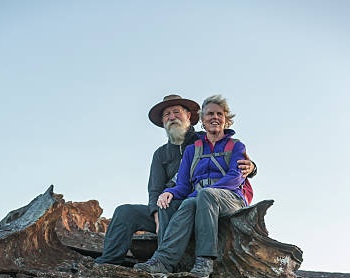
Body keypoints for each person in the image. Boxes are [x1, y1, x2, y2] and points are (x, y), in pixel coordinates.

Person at [95, 94, 256, 266]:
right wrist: (155, 212)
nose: (172, 117)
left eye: (176, 112)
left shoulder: (203, 139)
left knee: (181, 204)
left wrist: (252, 167)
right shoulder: (160, 154)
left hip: (202, 201)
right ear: (163, 122)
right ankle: (108, 262)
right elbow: (155, 189)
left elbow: (236, 161)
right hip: (173, 203)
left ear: (190, 117)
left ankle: (166, 262)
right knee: (125, 212)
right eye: (167, 115)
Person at [134, 95, 249, 278]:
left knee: (204, 196)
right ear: (202, 120)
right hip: (200, 198)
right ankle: (163, 261)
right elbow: (183, 184)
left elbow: (235, 178)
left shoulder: (236, 145)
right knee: (178, 203)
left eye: (219, 114)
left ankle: (204, 261)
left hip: (231, 199)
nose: (215, 117)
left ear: (226, 119)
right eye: (210, 114)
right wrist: (168, 192)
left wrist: (203, 192)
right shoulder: (192, 149)